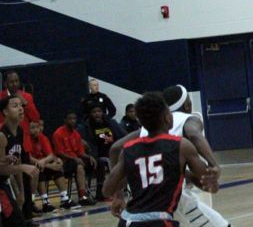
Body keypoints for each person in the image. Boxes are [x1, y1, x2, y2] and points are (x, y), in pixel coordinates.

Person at [111, 84, 228, 227]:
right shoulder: (189, 119)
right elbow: (193, 134)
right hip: (176, 197)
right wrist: (214, 164)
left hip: (146, 198)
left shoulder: (149, 127)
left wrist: (118, 195)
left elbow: (115, 149)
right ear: (187, 105)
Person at [0, 95, 39, 227]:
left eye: (21, 105)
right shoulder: (2, 135)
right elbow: (1, 169)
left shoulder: (20, 131)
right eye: (15, 106)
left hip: (3, 182)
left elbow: (17, 161)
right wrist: (23, 167)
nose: (21, 109)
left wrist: (21, 191)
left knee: (17, 221)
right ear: (5, 112)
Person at [51, 110, 95, 206]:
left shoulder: (76, 134)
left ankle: (92, 192)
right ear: (65, 120)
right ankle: (82, 196)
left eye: (74, 119)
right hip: (64, 162)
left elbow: (80, 152)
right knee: (79, 166)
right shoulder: (58, 133)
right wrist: (73, 158)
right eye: (70, 119)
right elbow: (59, 152)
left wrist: (89, 157)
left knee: (92, 162)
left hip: (75, 161)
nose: (72, 121)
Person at [28, 120, 74, 211]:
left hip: (43, 163)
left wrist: (47, 162)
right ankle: (45, 202)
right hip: (31, 166)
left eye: (37, 127)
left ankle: (65, 199)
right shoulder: (26, 139)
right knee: (39, 171)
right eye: (32, 128)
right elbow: (29, 158)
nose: (36, 130)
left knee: (57, 169)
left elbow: (50, 155)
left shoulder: (42, 137)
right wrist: (48, 165)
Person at [84, 104, 125, 201]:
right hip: (97, 155)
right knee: (103, 162)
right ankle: (102, 193)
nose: (97, 114)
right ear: (90, 114)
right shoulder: (87, 126)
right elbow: (86, 142)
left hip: (113, 152)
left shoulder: (111, 123)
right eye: (94, 112)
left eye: (99, 111)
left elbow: (122, 135)